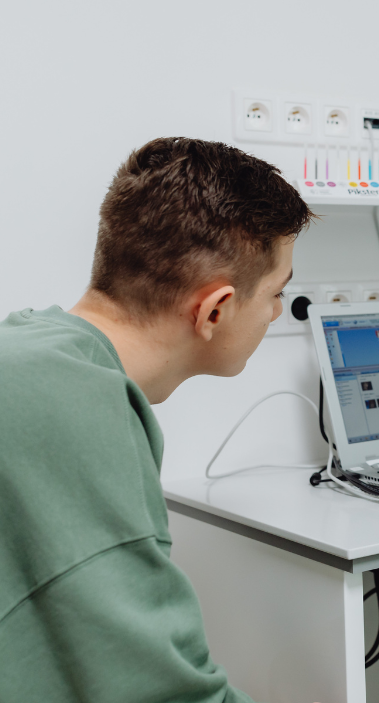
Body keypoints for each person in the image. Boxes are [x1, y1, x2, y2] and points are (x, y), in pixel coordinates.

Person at [0, 138, 314, 702]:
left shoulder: (29, 347)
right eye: (276, 294)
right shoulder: (77, 408)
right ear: (214, 310)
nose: (274, 312)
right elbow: (156, 690)